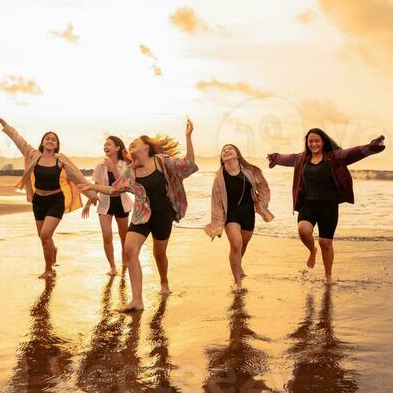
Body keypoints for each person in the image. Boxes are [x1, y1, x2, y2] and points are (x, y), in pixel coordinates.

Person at [86, 119, 197, 311]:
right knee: (129, 250)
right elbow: (114, 190)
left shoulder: (163, 161)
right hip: (141, 215)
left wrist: (188, 137)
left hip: (163, 216)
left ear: (146, 146)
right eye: (130, 144)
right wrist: (91, 186)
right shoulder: (131, 172)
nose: (131, 145)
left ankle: (164, 281)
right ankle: (137, 300)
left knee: (159, 255)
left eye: (135, 142)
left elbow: (188, 164)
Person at [0, 114, 97, 279]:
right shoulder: (33, 154)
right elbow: (18, 139)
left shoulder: (61, 160)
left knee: (45, 235)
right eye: (47, 138)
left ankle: (48, 270)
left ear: (57, 145)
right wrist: (3, 123)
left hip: (56, 200)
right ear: (43, 142)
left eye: (53, 140)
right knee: (43, 237)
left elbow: (77, 177)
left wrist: (92, 196)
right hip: (39, 201)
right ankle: (53, 250)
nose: (50, 141)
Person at [268, 129, 385, 282]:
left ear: (323, 142)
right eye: (311, 141)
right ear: (307, 143)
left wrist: (372, 147)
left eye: (317, 141)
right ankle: (312, 250)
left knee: (326, 243)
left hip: (328, 206)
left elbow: (354, 152)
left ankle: (328, 276)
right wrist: (274, 158)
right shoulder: (301, 158)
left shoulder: (335, 157)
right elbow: (286, 158)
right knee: (303, 231)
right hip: (307, 204)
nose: (314, 144)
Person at [204, 144, 274, 290]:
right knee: (236, 244)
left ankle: (238, 263)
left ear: (237, 154)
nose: (226, 150)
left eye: (230, 148)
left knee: (243, 244)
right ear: (222, 159)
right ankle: (237, 282)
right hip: (231, 214)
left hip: (247, 213)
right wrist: (217, 223)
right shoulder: (219, 177)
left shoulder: (250, 171)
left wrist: (261, 205)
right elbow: (216, 202)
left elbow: (263, 188)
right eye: (224, 150)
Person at [82, 136, 133, 276]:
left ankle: (125, 259)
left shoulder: (125, 165)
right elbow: (96, 186)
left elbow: (124, 184)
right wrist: (88, 202)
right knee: (107, 236)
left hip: (122, 204)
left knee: (124, 236)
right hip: (105, 204)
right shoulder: (100, 166)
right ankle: (112, 266)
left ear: (117, 148)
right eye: (104, 144)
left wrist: (113, 167)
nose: (105, 146)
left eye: (109, 144)